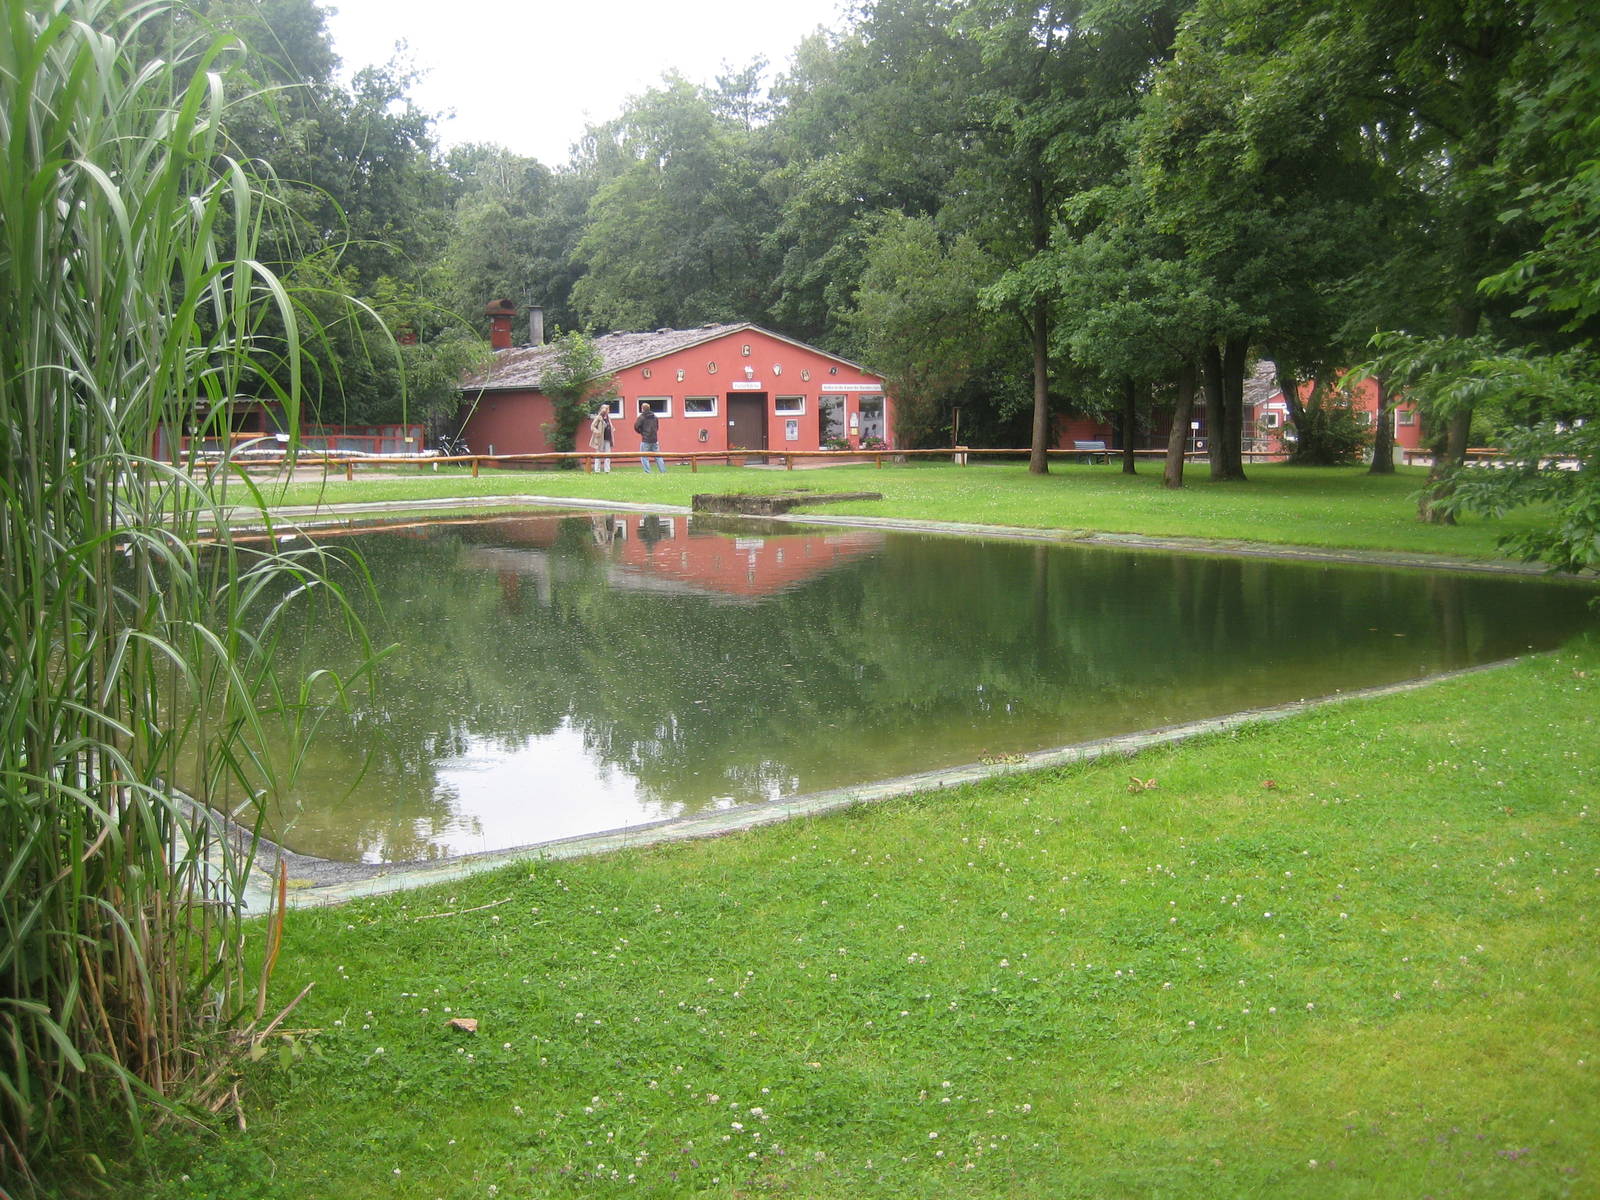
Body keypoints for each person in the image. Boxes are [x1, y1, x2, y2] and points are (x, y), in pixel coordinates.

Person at [633, 401, 666, 473]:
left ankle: (648, 471)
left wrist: (641, 432)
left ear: (642, 409)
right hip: (654, 439)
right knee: (658, 456)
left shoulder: (642, 417)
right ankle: (663, 471)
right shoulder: (655, 417)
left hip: (645, 439)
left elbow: (636, 426)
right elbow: (657, 427)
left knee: (644, 456)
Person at [587, 404, 614, 472]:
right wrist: (597, 431)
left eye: (607, 409)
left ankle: (607, 470)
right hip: (600, 439)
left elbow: (609, 426)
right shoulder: (598, 417)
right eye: (606, 409)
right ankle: (597, 470)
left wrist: (612, 428)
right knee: (598, 454)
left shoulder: (608, 418)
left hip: (608, 438)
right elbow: (592, 426)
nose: (607, 411)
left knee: (608, 455)